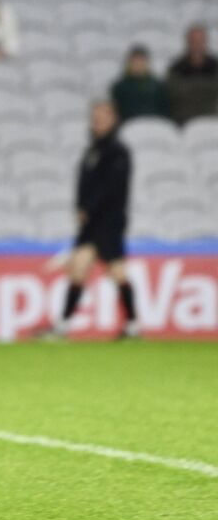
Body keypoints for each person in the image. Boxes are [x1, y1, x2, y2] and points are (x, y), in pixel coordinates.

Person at [47, 101, 140, 340]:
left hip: (108, 222)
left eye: (103, 116)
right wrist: (81, 208)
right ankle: (63, 325)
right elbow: (84, 185)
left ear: (114, 119)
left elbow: (113, 188)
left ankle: (132, 324)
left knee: (117, 272)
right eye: (95, 116)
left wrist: (88, 208)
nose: (97, 120)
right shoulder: (92, 150)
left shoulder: (118, 151)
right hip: (91, 223)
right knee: (78, 268)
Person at [165, 25, 218, 125]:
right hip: (183, 123)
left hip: (210, 123)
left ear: (205, 42)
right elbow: (174, 94)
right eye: (193, 40)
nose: (197, 44)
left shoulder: (215, 66)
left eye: (200, 40)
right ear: (188, 42)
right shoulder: (176, 67)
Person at [109, 44, 169, 122]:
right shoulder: (119, 87)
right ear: (129, 63)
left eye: (141, 60)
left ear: (147, 63)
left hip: (154, 126)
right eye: (135, 61)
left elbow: (164, 111)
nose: (138, 64)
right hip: (128, 127)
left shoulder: (159, 86)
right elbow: (115, 113)